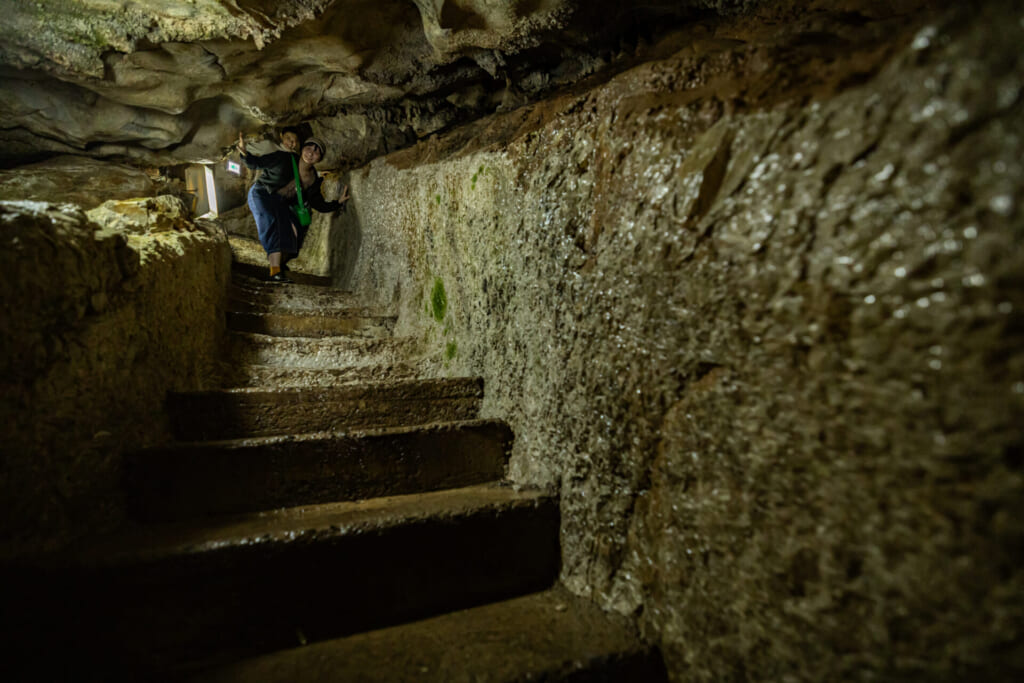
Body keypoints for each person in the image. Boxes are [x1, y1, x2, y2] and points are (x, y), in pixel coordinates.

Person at [238, 133, 350, 282]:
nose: (311, 153)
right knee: (271, 222)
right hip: (262, 193)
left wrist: (338, 202)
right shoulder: (284, 158)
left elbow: (317, 203)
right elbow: (257, 163)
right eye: (309, 148)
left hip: (279, 203)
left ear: (320, 158)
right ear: (302, 149)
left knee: (295, 232)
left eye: (316, 152)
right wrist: (244, 153)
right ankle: (275, 271)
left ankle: (281, 263)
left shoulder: (313, 179)